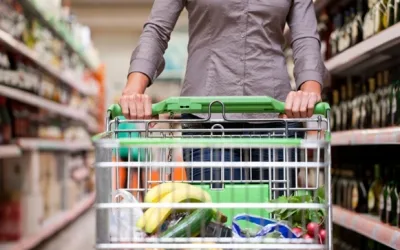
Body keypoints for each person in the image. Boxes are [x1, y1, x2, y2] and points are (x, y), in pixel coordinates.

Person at [119, 0, 328, 183]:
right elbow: (157, 30)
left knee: (274, 218)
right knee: (218, 221)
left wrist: (309, 90)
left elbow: (305, 37)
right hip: (207, 119)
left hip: (276, 117)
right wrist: (133, 90)